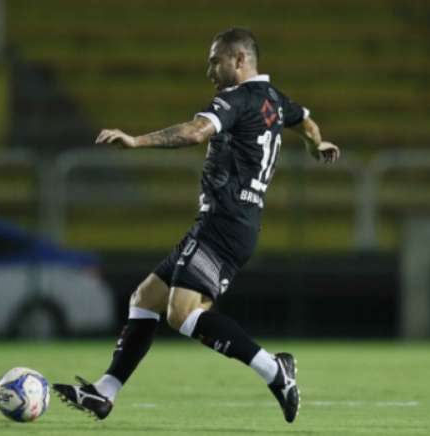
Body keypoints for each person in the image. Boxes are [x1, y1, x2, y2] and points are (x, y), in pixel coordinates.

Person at [52, 27, 340, 424]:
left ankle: (275, 371)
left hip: (223, 222)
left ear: (239, 60)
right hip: (235, 223)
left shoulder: (235, 99)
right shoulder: (274, 99)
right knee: (145, 298)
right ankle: (105, 392)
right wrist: (316, 144)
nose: (209, 70)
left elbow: (196, 131)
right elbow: (305, 121)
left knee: (182, 314)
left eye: (215, 60)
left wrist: (136, 141)